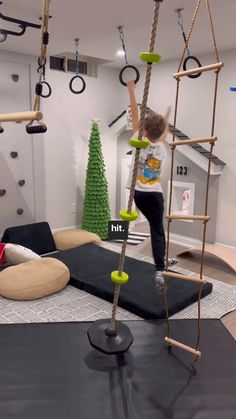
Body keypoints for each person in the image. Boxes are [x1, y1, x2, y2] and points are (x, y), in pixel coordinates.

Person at [126, 80, 171, 289]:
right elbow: (163, 132)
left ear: (144, 131)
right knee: (157, 230)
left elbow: (135, 114)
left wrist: (132, 91)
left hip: (139, 194)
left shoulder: (139, 142)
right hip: (155, 195)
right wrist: (167, 117)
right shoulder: (162, 147)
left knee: (153, 226)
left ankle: (161, 264)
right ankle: (159, 270)